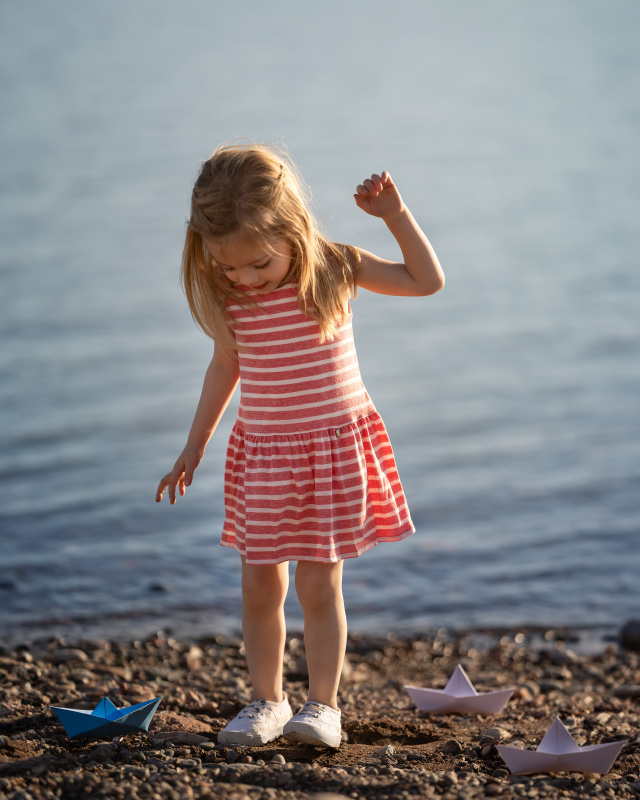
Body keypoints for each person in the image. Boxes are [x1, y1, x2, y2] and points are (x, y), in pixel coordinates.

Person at [156, 144, 444, 749]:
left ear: (292, 228)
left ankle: (322, 706)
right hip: (265, 455)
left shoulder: (336, 268)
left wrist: (394, 215)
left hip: (330, 453)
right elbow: (225, 367)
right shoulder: (233, 297)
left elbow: (426, 281)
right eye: (227, 267)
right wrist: (194, 445)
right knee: (260, 586)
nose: (244, 278)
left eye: (258, 263)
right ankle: (267, 701)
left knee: (318, 584)